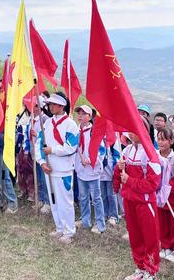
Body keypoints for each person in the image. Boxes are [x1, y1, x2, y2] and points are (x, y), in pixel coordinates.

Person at [113, 117, 161, 280]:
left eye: (136, 129)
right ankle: (140, 267)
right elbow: (120, 176)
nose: (131, 132)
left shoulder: (151, 154)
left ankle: (151, 270)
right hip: (129, 200)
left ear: (145, 131)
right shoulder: (126, 151)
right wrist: (119, 171)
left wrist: (129, 181)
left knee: (149, 238)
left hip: (145, 202)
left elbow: (153, 184)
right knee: (135, 236)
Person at [35, 92, 79, 244]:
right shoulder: (46, 123)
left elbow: (71, 147)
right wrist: (42, 162)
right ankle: (59, 227)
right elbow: (39, 143)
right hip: (48, 168)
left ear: (62, 106)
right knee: (54, 200)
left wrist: (52, 150)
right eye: (50, 104)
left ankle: (69, 231)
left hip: (63, 170)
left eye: (54, 104)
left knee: (65, 201)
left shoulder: (71, 125)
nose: (51, 107)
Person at [74, 105, 106, 234]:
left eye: (84, 113)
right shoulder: (77, 132)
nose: (80, 116)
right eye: (79, 113)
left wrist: (92, 160)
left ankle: (100, 224)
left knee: (96, 198)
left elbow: (102, 150)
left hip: (92, 170)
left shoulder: (94, 131)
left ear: (90, 116)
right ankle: (85, 220)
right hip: (81, 169)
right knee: (83, 196)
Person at [157, 128, 174, 264]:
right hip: (159, 198)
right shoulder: (155, 156)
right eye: (159, 139)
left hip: (173, 198)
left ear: (171, 141)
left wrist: (167, 188)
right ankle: (166, 246)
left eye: (164, 139)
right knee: (162, 223)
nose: (160, 142)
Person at [100, 139, 121, 227]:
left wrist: (115, 170)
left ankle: (114, 216)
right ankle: (105, 213)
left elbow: (117, 155)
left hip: (110, 171)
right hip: (100, 171)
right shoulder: (98, 137)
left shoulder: (113, 139)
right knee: (103, 195)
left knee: (111, 195)